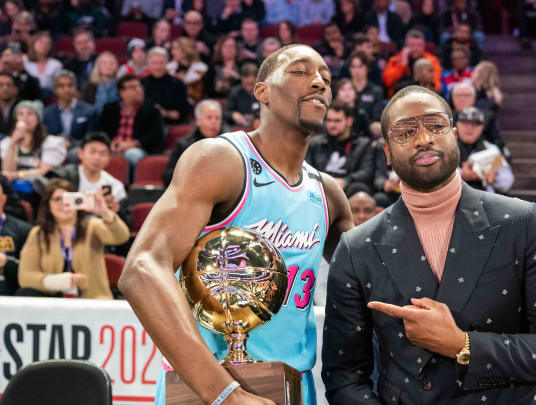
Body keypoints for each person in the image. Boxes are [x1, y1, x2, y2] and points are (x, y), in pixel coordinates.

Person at [118, 44, 354, 405]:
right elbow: (141, 269)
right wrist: (224, 393)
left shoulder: (328, 194)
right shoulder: (220, 160)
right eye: (301, 71)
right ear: (262, 92)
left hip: (294, 387)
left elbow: (369, 292)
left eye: (326, 76)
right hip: (210, 388)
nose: (320, 82)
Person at [321, 85, 536, 404]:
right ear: (387, 151)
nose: (423, 138)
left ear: (455, 135)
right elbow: (344, 378)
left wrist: (462, 345)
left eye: (435, 125)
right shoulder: (356, 247)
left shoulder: (524, 222)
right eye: (405, 131)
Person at [17, 178, 129, 299]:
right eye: (57, 199)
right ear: (48, 205)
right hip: (53, 305)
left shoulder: (92, 226)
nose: (63, 204)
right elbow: (25, 276)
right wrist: (58, 281)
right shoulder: (38, 234)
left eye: (67, 199)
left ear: (77, 200)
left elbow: (121, 237)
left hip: (93, 303)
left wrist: (104, 212)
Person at [1, 100, 67, 204]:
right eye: (20, 114)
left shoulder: (50, 142)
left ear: (38, 118)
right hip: (16, 188)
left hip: (40, 188)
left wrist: (16, 174)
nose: (24, 118)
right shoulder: (9, 142)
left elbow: (43, 171)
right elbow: (7, 170)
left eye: (30, 113)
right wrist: (13, 143)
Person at [96, 74, 165, 169]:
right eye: (133, 87)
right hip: (111, 147)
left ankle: (129, 183)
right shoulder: (110, 109)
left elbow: (157, 136)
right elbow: (100, 131)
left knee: (131, 155)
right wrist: (109, 143)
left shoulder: (152, 110)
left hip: (137, 149)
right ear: (122, 93)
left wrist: (133, 144)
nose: (139, 89)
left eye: (140, 86)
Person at [305, 100, 374, 192]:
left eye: (337, 121)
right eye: (329, 120)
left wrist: (346, 181)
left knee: (359, 188)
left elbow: (366, 172)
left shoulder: (363, 144)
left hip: (347, 187)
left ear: (349, 121)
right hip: (320, 185)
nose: (332, 125)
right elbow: (306, 168)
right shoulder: (315, 143)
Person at [163, 100, 225, 186]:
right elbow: (167, 176)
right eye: (209, 117)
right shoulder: (184, 145)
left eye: (217, 118)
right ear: (198, 121)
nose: (214, 121)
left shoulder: (230, 144)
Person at [456, 106, 514, 193]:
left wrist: (495, 176)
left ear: (482, 127)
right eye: (465, 122)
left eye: (475, 124)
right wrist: (460, 175)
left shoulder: (491, 150)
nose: (469, 128)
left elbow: (507, 182)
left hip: (484, 200)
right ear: (457, 125)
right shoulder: (447, 148)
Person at [44, 71, 97, 157]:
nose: (67, 89)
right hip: (54, 150)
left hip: (80, 150)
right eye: (62, 86)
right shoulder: (47, 112)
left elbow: (90, 138)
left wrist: (71, 144)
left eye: (70, 85)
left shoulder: (89, 111)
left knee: (74, 154)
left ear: (75, 87)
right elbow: (44, 137)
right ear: (54, 89)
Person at [383, 29, 442, 97]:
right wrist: (403, 64)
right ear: (406, 45)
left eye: (419, 45)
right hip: (399, 98)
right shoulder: (395, 60)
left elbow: (436, 85)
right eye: (412, 45)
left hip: (425, 96)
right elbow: (388, 82)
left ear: (424, 46)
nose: (416, 48)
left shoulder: (431, 61)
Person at [142, 47, 192, 125]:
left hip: (171, 125)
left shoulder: (178, 84)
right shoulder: (141, 84)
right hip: (147, 124)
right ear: (148, 64)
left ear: (166, 63)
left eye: (161, 63)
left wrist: (165, 113)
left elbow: (182, 112)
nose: (157, 67)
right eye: (154, 63)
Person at [0, 177, 31, 296]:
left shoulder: (24, 230)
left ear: (3, 199)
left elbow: (29, 269)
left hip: (10, 288)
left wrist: (6, 262)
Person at [168, 37, 208, 104]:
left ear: (185, 49)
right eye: (172, 48)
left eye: (176, 48)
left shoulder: (201, 68)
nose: (172, 52)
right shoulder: (169, 68)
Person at [224, 60, 260, 127]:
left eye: (251, 84)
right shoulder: (235, 92)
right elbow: (225, 113)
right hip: (240, 128)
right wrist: (233, 115)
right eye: (245, 84)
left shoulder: (263, 92)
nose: (248, 88)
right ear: (241, 80)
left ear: (257, 80)